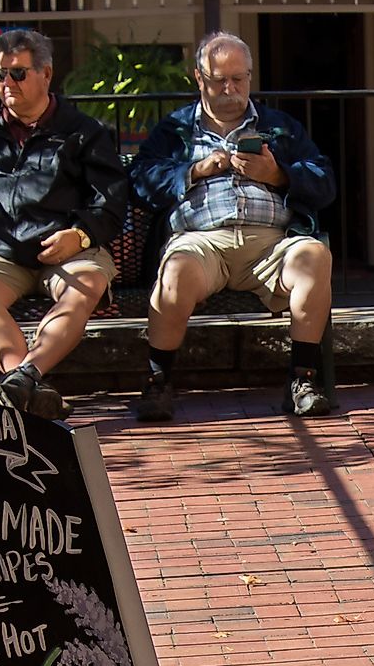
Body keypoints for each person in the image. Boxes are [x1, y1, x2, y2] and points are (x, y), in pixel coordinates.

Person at [127, 32, 337, 422]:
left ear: (250, 78)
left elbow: (325, 182)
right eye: (220, 79)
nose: (230, 88)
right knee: (175, 270)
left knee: (315, 255)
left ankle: (302, 380)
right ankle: (158, 382)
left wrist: (279, 174)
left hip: (272, 245)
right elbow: (140, 183)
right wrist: (193, 171)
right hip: (201, 243)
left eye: (239, 79)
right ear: (198, 78)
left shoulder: (280, 127)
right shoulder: (175, 131)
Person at [0, 28, 129, 416]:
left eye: (17, 73)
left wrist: (82, 235)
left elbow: (113, 198)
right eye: (0, 74)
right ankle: (26, 386)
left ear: (46, 74)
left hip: (67, 251)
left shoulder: (83, 132)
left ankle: (24, 378)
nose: (7, 84)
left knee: (85, 286)